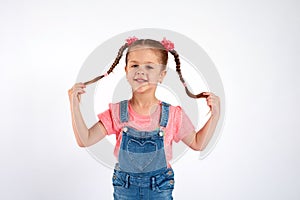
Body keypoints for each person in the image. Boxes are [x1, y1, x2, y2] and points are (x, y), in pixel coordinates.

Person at [68, 37, 220, 200]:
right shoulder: (118, 112)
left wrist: (215, 115)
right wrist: (74, 105)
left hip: (159, 190)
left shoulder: (173, 115)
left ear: (161, 75)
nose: (141, 71)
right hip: (125, 189)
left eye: (149, 66)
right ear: (126, 71)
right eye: (135, 65)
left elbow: (198, 143)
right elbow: (85, 139)